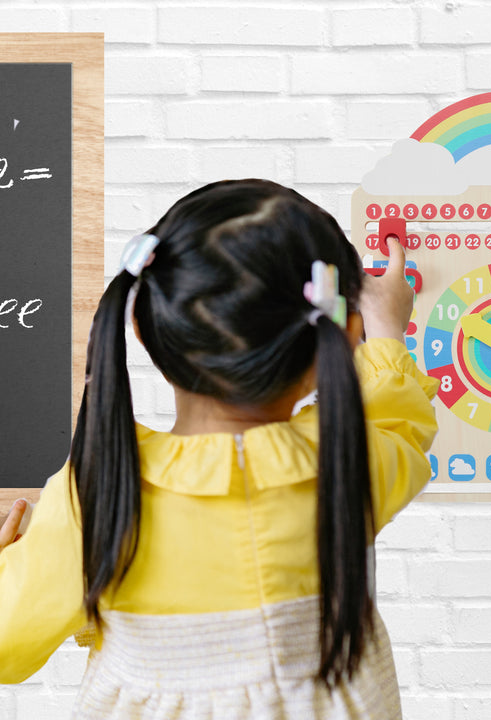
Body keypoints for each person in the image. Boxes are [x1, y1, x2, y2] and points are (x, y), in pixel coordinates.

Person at [0, 179, 438, 719]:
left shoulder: (95, 494)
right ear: (343, 335)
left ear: (140, 325)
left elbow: (5, 642)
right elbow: (397, 418)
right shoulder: (348, 460)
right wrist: (388, 331)